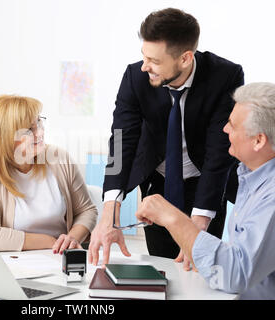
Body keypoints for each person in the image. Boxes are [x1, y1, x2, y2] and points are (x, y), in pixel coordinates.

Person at [88, 8, 244, 268]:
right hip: (158, 184)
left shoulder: (225, 76)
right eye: (144, 56)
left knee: (200, 268)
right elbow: (120, 141)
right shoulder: (135, 76)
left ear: (185, 59)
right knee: (161, 269)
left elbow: (220, 151)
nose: (145, 66)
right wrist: (109, 214)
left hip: (205, 183)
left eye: (155, 61)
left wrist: (198, 225)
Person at [136, 82, 275, 299]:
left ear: (259, 140)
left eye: (232, 124)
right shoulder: (253, 174)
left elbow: (236, 274)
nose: (225, 129)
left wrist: (172, 217)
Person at [0, 95, 97, 253]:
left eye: (39, 122)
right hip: (15, 262)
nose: (40, 132)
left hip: (59, 256)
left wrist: (71, 238)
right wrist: (51, 241)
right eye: (30, 129)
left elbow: (87, 210)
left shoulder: (58, 157)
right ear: (5, 137)